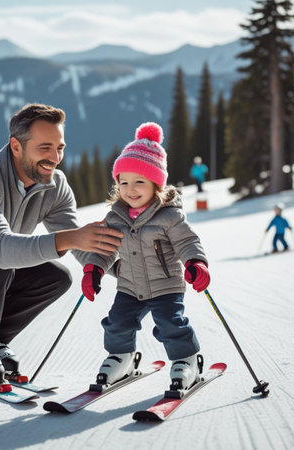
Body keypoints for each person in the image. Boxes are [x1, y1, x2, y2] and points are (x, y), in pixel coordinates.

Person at [0, 103, 123, 384]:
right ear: (16, 146)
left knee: (56, 278)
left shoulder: (55, 185)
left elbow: (76, 240)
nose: (55, 157)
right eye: (45, 148)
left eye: (60, 147)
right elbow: (0, 248)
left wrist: (120, 269)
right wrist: (71, 237)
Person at [81, 122, 210, 391]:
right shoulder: (115, 217)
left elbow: (188, 241)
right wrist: (93, 269)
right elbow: (105, 248)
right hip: (129, 286)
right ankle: (122, 358)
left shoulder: (169, 216)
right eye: (124, 181)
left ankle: (187, 361)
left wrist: (195, 263)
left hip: (165, 285)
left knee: (170, 325)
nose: (131, 189)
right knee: (116, 323)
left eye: (140, 181)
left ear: (156, 185)